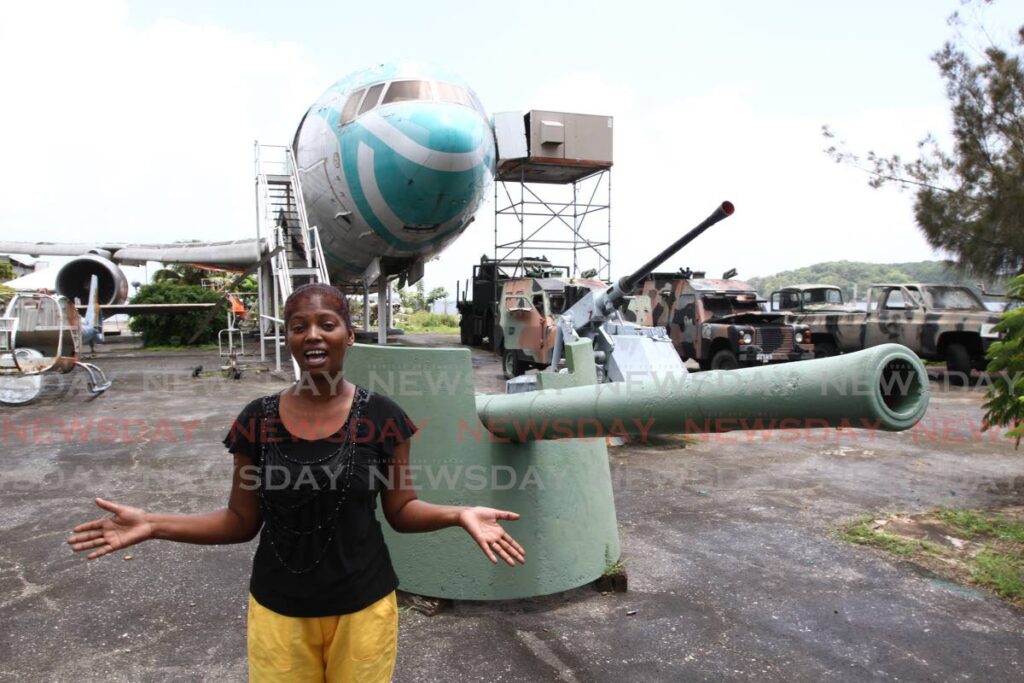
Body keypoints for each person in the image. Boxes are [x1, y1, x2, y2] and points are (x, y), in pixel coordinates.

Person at [67, 282, 526, 682]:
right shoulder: (256, 420)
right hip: (278, 610)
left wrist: (459, 514)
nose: (312, 335)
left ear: (349, 334)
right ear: (287, 337)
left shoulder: (383, 418)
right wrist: (153, 524)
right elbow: (240, 521)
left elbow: (402, 511)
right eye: (297, 325)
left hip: (363, 608)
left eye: (327, 323)